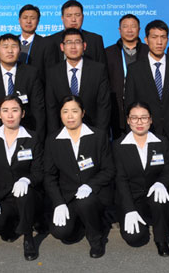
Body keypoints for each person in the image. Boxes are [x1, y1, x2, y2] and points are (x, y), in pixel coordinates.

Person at [123, 19, 169, 235]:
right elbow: (129, 104)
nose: (159, 42)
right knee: (148, 175)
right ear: (146, 40)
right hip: (146, 133)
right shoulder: (135, 69)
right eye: (154, 37)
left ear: (168, 40)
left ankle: (168, 217)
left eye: (163, 37)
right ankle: (146, 213)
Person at [45, 96, 114, 259]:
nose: (70, 116)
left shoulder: (98, 136)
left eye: (74, 111)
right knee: (61, 232)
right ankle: (82, 224)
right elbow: (49, 176)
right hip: (68, 196)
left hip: (95, 194)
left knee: (86, 203)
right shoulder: (53, 140)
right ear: (60, 114)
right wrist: (58, 202)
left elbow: (109, 169)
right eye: (65, 112)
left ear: (82, 113)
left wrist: (90, 185)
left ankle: (96, 238)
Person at [0, 95, 44, 261]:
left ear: (22, 114)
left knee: (25, 194)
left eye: (15, 110)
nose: (10, 115)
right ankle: (13, 224)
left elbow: (39, 172)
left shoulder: (32, 138)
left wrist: (26, 180)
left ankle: (28, 237)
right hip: (4, 197)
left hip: (29, 196)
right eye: (5, 110)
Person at [112, 102, 169, 256]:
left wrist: (161, 183)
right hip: (131, 198)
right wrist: (129, 209)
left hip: (154, 194)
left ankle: (161, 239)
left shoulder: (161, 142)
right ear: (128, 120)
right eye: (134, 118)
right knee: (135, 238)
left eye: (144, 118)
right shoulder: (118, 146)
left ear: (150, 120)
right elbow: (120, 180)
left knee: (160, 199)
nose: (139, 122)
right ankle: (141, 217)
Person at [0, 34, 45, 140]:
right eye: (5, 47)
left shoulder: (31, 73)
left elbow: (38, 109)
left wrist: (38, 138)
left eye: (14, 46)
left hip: (26, 130)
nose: (10, 51)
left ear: (19, 51)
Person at [45, 28, 110, 132]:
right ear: (62, 47)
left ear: (84, 46)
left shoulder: (98, 70)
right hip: (63, 131)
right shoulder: (53, 72)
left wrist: (99, 134)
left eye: (77, 42)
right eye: (69, 42)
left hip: (92, 130)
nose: (73, 46)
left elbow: (103, 105)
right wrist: (55, 135)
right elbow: (51, 107)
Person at [104, 14, 149, 136]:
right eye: (125, 26)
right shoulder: (108, 53)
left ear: (139, 29)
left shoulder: (148, 51)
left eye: (133, 26)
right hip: (117, 108)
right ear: (119, 30)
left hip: (143, 106)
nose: (129, 30)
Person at [38, 0, 106, 75]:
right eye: (69, 16)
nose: (73, 20)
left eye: (77, 15)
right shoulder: (49, 41)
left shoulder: (95, 40)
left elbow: (102, 70)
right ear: (62, 18)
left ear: (83, 17)